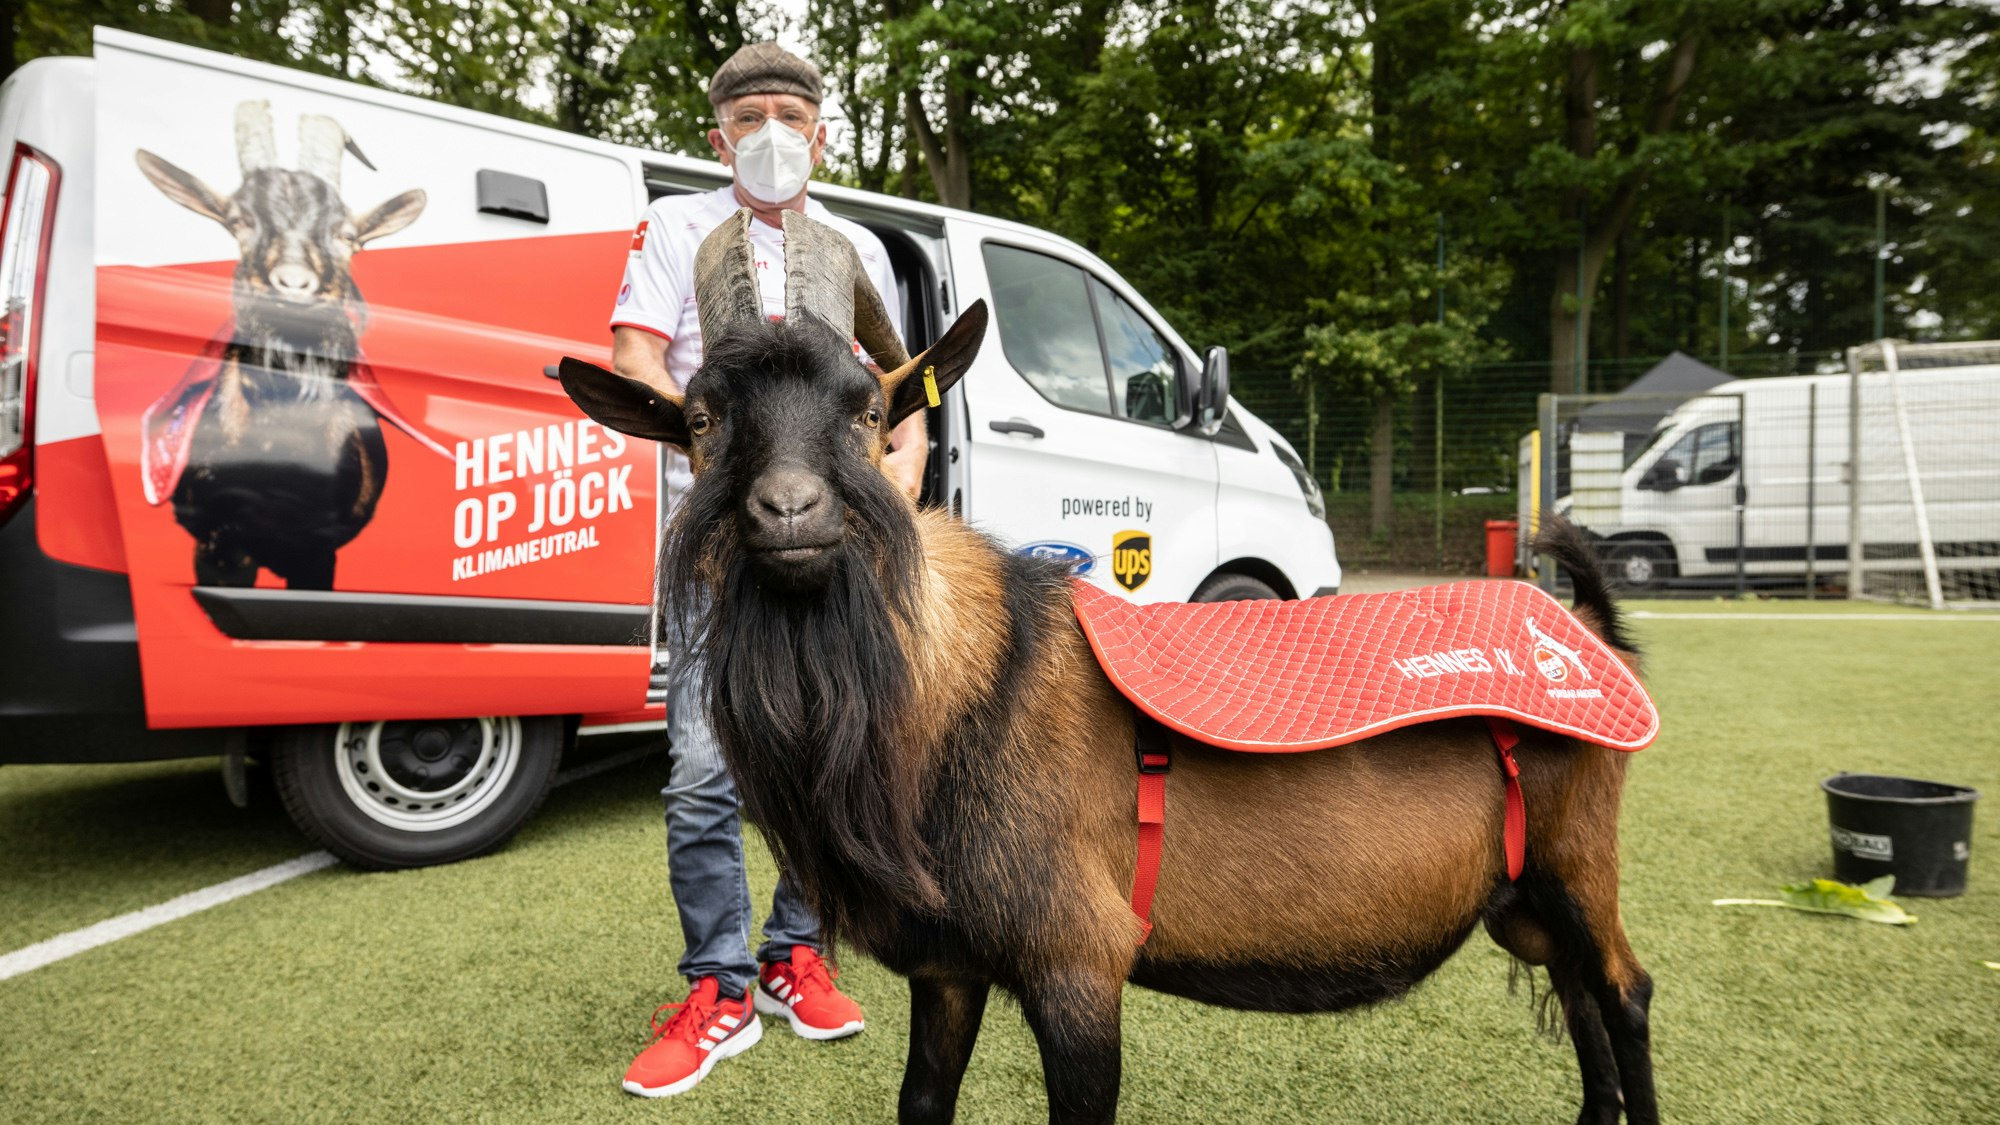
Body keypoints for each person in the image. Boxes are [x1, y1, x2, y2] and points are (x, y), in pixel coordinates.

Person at [607, 43, 921, 1099]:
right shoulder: (673, 229)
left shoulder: (852, 248)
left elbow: (895, 381)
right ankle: (717, 985)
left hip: (834, 545)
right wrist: (700, 431)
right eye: (750, 116)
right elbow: (635, 355)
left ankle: (796, 955)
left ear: (821, 133)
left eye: (793, 112)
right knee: (703, 768)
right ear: (718, 134)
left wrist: (900, 471)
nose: (772, 130)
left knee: (828, 744)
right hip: (723, 548)